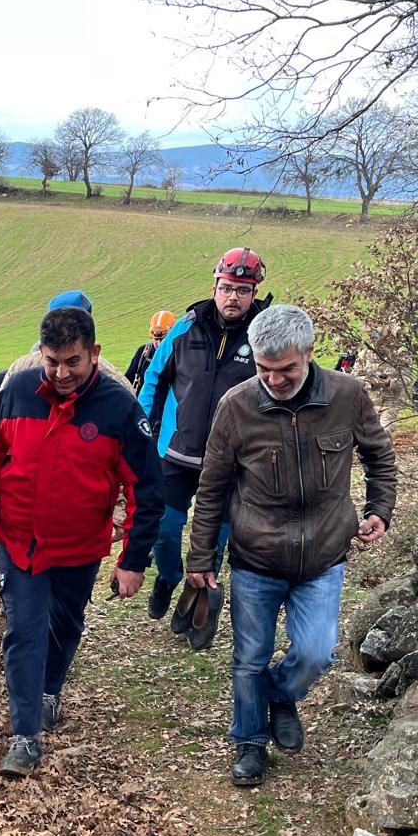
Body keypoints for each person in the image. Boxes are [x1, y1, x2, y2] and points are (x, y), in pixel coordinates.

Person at [184, 304, 397, 788]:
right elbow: (212, 487)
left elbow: (380, 457)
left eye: (286, 370)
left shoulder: (348, 396)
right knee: (249, 657)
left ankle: (280, 695)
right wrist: (201, 558)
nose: (274, 380)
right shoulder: (236, 406)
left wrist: (379, 509)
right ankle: (250, 742)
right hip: (257, 554)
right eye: (263, 369)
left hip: (324, 554)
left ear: (309, 353)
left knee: (316, 654)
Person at [0, 306, 164, 778]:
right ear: (40, 354)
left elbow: (146, 490)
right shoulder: (18, 390)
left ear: (94, 354)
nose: (61, 373)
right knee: (24, 630)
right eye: (52, 362)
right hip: (19, 539)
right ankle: (25, 736)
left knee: (64, 625)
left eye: (73, 363)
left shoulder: (120, 408)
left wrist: (133, 560)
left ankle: (49, 690)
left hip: (80, 545)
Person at [137, 247, 270, 650]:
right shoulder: (185, 328)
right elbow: (155, 381)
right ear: (215, 285)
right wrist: (143, 435)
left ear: (254, 294)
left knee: (214, 542)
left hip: (233, 463)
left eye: (243, 291)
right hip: (175, 453)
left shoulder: (262, 336)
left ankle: (198, 601)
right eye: (227, 287)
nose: (233, 297)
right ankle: (169, 577)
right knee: (163, 529)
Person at [126, 310, 177, 393]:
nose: (159, 344)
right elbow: (127, 380)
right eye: (156, 339)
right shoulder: (143, 353)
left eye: (163, 339)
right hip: (143, 404)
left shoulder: (180, 355)